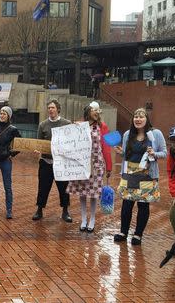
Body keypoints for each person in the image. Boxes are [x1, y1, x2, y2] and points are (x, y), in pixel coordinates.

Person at [113, 108, 167, 245]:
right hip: (130, 173)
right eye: (135, 116)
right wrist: (121, 152)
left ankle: (138, 234)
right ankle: (123, 231)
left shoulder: (156, 133)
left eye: (141, 116)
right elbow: (127, 154)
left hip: (147, 174)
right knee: (127, 204)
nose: (138, 119)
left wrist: (154, 153)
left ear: (146, 119)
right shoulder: (127, 134)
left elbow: (164, 152)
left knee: (143, 205)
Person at [67, 101, 112, 232]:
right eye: (94, 110)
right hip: (82, 163)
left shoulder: (103, 126)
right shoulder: (80, 125)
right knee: (82, 191)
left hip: (97, 163)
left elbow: (107, 147)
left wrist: (109, 166)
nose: (96, 112)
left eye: (98, 110)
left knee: (93, 193)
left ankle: (92, 219)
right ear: (88, 112)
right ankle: (83, 219)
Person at [32, 99, 72, 223]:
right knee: (43, 187)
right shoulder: (42, 125)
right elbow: (39, 142)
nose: (50, 110)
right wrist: (38, 150)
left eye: (53, 107)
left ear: (58, 109)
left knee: (63, 188)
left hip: (61, 163)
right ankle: (39, 209)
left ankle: (65, 211)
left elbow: (71, 141)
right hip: (46, 161)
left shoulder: (66, 123)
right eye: (49, 108)